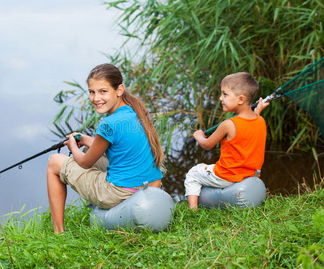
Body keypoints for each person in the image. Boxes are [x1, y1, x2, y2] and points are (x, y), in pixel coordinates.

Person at [47, 63, 165, 233]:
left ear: (119, 90)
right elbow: (118, 146)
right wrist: (87, 140)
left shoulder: (108, 123)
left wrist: (73, 147)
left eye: (103, 91)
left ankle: (58, 231)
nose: (96, 98)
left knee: (54, 162)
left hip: (120, 193)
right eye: (92, 92)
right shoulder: (135, 111)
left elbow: (86, 163)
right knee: (89, 149)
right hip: (150, 186)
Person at [184, 72, 269, 209]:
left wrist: (198, 135)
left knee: (193, 173)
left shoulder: (229, 124)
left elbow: (207, 145)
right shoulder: (260, 120)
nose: (220, 98)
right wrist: (258, 111)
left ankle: (192, 210)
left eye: (225, 94)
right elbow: (250, 123)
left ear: (240, 99)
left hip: (227, 176)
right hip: (250, 174)